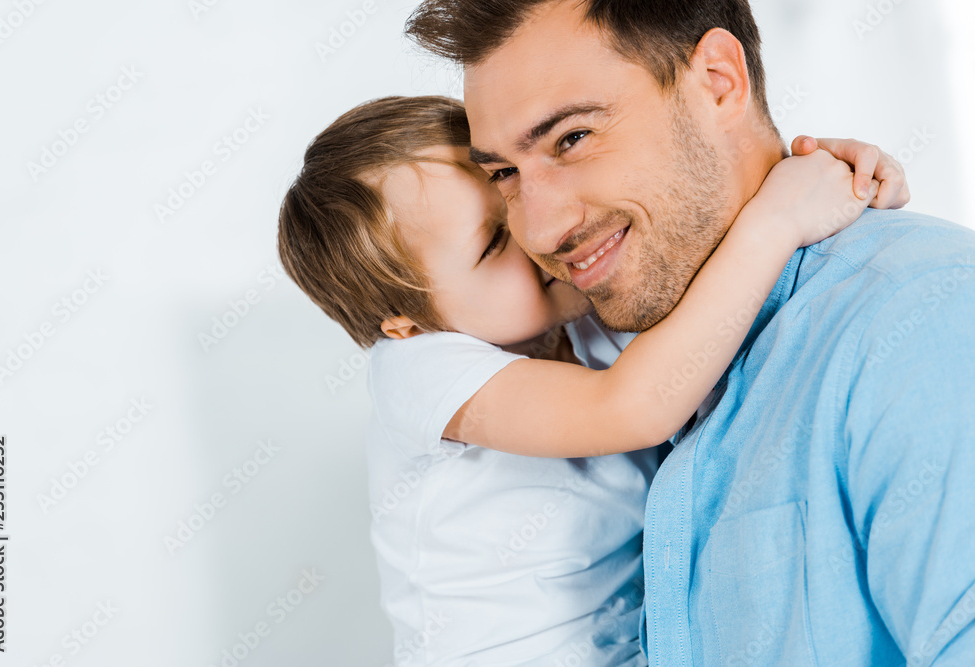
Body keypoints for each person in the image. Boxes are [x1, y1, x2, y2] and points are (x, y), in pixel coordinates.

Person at [405, 0, 975, 664]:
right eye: (504, 173)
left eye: (573, 138)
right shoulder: (608, 353)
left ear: (718, 82)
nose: (540, 231)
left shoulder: (922, 321)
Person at [277, 92, 909, 663]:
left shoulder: (579, 316)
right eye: (493, 244)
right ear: (406, 322)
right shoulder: (418, 372)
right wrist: (777, 220)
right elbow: (634, 407)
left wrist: (818, 177)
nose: (537, 232)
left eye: (513, 188)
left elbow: (713, 281)